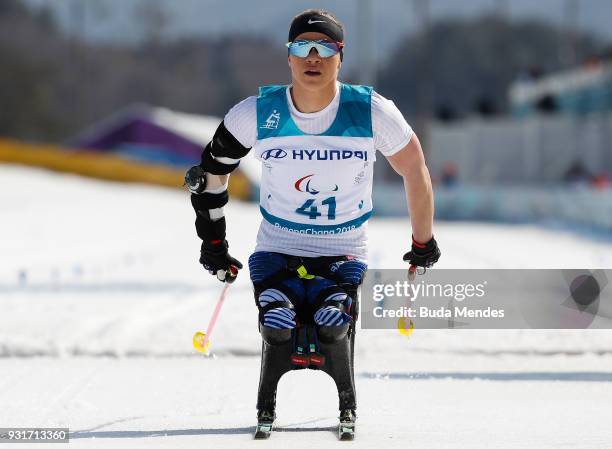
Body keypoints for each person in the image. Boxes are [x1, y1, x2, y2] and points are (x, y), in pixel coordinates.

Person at [185, 9, 441, 439]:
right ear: (288, 56)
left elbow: (414, 169)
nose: (313, 57)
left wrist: (423, 242)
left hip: (341, 253)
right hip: (276, 250)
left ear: (341, 56)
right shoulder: (256, 113)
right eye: (302, 47)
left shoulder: (371, 111)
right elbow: (210, 173)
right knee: (277, 322)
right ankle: (277, 315)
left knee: (332, 324)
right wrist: (213, 242)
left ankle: (332, 341)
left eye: (325, 48)